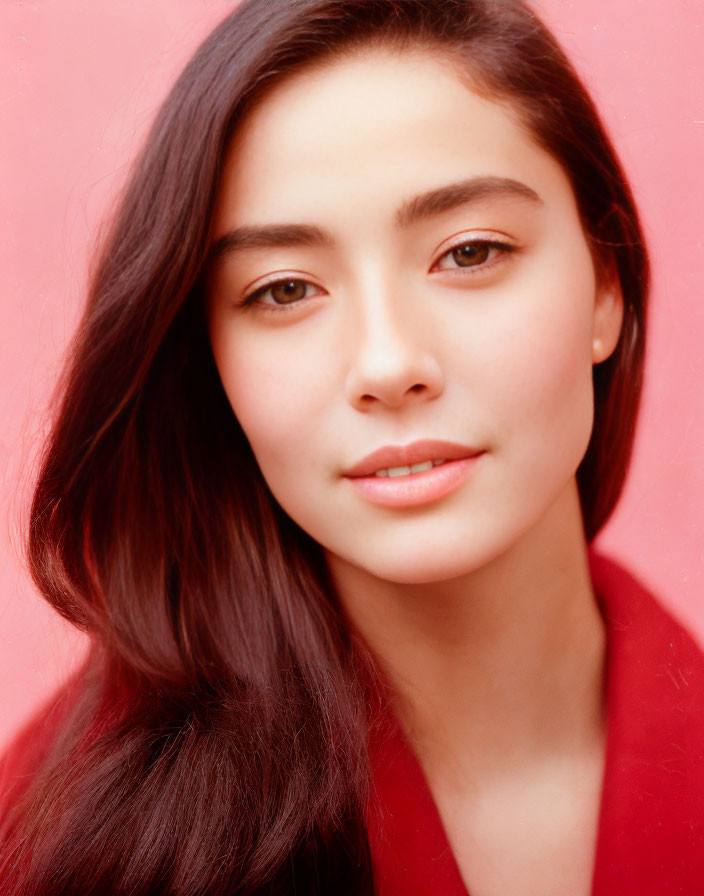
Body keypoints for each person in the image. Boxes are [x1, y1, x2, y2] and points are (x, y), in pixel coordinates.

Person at [1, 0, 703, 893]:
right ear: (209, 362)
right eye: (284, 289)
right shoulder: (65, 833)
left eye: (470, 252)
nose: (386, 363)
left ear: (606, 283)